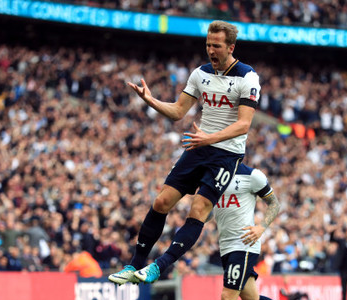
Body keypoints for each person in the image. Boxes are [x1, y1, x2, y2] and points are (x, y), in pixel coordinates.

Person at [109, 20, 261, 285]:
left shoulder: (247, 77)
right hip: (199, 147)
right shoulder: (200, 74)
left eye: (216, 46)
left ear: (230, 47)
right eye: (208, 45)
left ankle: (160, 266)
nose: (210, 50)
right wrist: (150, 100)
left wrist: (208, 137)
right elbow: (179, 112)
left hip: (226, 154)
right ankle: (134, 265)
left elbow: (243, 125)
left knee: (199, 208)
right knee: (160, 202)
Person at [192, 163, 309, 300]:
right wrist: (197, 215)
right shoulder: (215, 176)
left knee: (228, 295)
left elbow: (274, 203)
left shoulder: (251, 176)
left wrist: (261, 227)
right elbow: (210, 211)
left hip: (244, 244)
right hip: (226, 246)